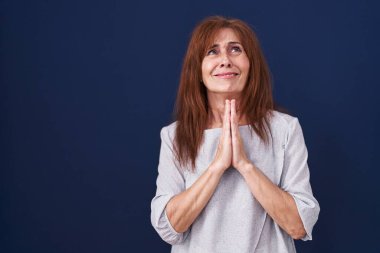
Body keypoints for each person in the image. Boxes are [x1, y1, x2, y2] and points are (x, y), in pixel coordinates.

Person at [151, 16, 320, 253]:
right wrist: (217, 166)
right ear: (198, 70)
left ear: (251, 65)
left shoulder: (285, 129)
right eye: (212, 51)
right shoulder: (175, 136)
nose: (225, 60)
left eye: (235, 49)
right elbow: (168, 226)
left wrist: (244, 164)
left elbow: (300, 225)